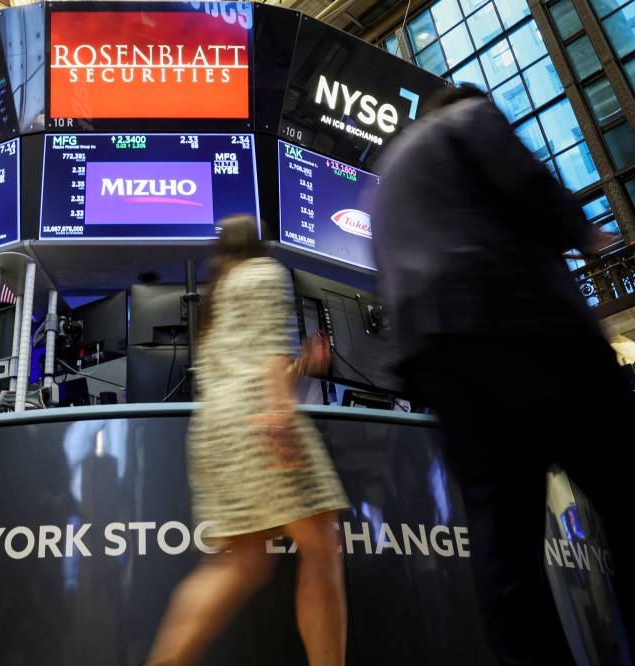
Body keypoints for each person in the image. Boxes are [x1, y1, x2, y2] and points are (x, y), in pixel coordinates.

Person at [370, 84, 634, 664]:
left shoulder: (388, 177)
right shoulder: (467, 118)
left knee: (503, 541)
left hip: (441, 361)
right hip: (524, 325)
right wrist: (581, 230)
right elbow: (525, 182)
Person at [146, 215, 350, 666]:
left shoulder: (218, 298)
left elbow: (241, 365)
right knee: (321, 546)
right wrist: (280, 413)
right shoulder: (265, 274)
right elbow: (266, 358)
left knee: (241, 564)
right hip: (261, 418)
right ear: (259, 244)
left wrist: (301, 367)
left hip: (216, 432)